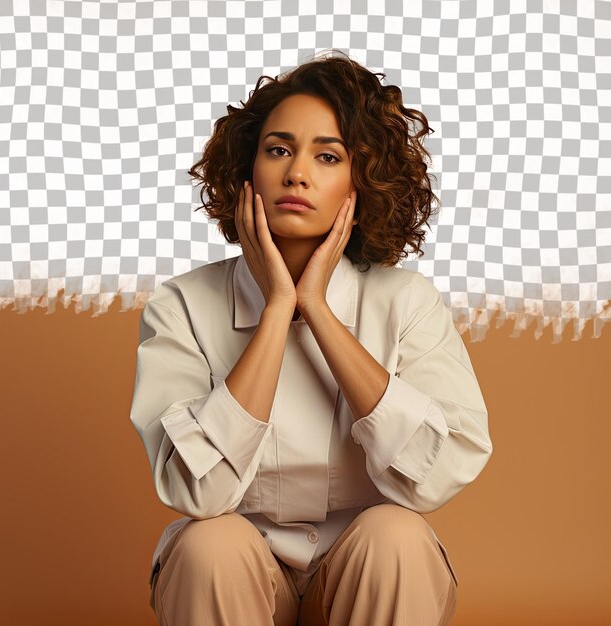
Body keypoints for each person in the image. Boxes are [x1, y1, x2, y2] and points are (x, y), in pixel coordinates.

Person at [129, 50, 493, 626]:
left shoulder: (406, 300)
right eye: (278, 150)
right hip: (237, 572)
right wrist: (278, 309)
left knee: (397, 535)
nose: (297, 172)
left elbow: (436, 474)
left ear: (361, 179)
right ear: (248, 170)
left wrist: (317, 310)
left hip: (362, 570)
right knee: (209, 544)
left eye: (327, 156)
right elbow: (195, 493)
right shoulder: (182, 304)